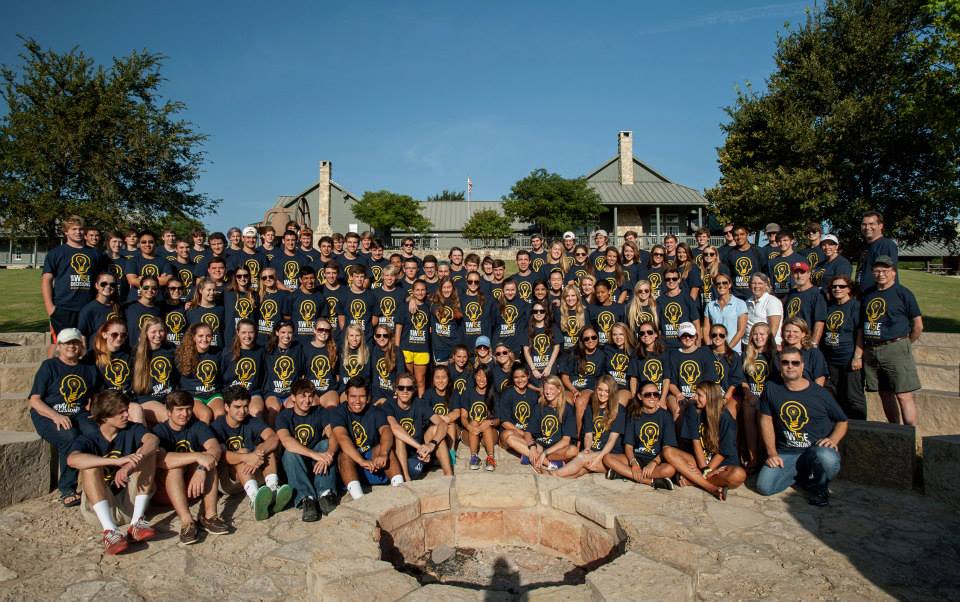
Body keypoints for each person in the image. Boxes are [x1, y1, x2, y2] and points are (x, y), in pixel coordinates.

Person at [67, 390, 158, 555]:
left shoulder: (132, 429)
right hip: (100, 509)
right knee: (90, 466)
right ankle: (110, 531)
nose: (126, 415)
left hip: (129, 503)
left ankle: (137, 524)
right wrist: (116, 461)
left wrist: (128, 466)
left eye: (126, 410)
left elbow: (153, 440)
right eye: (121, 412)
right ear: (105, 417)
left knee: (148, 455)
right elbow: (72, 460)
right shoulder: (89, 438)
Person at [757, 347, 848, 507]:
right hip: (786, 452)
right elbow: (766, 419)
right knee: (764, 487)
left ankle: (819, 488)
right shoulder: (771, 388)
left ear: (802, 366)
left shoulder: (820, 393)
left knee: (828, 457)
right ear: (780, 365)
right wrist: (771, 453)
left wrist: (833, 439)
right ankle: (801, 476)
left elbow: (842, 420)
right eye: (785, 362)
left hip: (814, 451)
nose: (790, 366)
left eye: (795, 363)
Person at [29, 328, 101, 507]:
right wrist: (55, 416)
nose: (71, 346)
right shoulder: (49, 366)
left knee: (94, 432)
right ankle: (67, 488)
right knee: (69, 435)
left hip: (78, 412)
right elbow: (35, 400)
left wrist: (95, 412)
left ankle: (97, 481)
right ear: (59, 346)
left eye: (75, 342)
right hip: (48, 413)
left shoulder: (88, 369)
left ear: (81, 346)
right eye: (67, 343)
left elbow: (95, 395)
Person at [153, 390, 228, 544]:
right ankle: (187, 521)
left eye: (188, 409)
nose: (185, 414)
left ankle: (209, 516)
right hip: (166, 492)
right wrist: (196, 456)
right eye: (179, 410)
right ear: (169, 412)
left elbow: (215, 448)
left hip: (193, 488)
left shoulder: (198, 426)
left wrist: (201, 468)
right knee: (175, 468)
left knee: (209, 462)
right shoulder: (159, 431)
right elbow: (161, 459)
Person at [211, 385, 292, 520]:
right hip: (229, 480)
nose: (242, 411)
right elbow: (222, 456)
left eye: (245, 406)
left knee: (265, 448)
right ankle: (254, 498)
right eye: (237, 407)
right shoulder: (217, 426)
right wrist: (247, 457)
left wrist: (258, 454)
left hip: (253, 474)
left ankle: (273, 490)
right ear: (226, 407)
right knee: (242, 452)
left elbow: (273, 438)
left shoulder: (251, 421)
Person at [860, 256, 923, 426]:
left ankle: (910, 433)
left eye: (885, 270)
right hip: (872, 349)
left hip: (895, 347)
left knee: (903, 394)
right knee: (884, 393)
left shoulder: (903, 293)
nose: (881, 274)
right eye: (877, 270)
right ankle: (895, 430)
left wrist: (905, 343)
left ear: (893, 272)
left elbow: (918, 324)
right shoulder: (868, 294)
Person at [664, 381, 745, 501]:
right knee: (668, 452)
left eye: (699, 395)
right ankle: (710, 487)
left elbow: (723, 453)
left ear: (711, 398)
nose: (694, 397)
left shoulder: (726, 418)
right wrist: (704, 469)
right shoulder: (693, 409)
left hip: (719, 463)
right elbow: (695, 441)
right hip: (699, 460)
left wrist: (709, 469)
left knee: (739, 475)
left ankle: (692, 481)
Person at [276, 379, 339, 522]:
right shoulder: (284, 416)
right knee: (290, 453)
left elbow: (333, 434)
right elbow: (286, 440)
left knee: (326, 444)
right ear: (293, 398)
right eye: (302, 396)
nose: (307, 400)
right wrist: (315, 455)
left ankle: (325, 494)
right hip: (297, 464)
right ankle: (306, 498)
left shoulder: (320, 411)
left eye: (310, 396)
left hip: (318, 462)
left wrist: (329, 454)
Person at [332, 377, 403, 499]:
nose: (357, 401)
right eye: (353, 396)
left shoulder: (376, 411)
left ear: (368, 397)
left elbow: (386, 431)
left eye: (362, 396)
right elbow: (342, 437)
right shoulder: (338, 412)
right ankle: (359, 498)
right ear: (346, 396)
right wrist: (361, 461)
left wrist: (383, 454)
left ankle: (400, 490)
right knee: (345, 454)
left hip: (373, 464)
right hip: (351, 466)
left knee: (385, 449)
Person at [41, 216, 101, 354]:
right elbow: (46, 280)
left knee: (86, 345)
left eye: (81, 229)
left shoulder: (95, 253)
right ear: (66, 232)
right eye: (74, 229)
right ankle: (51, 368)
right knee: (59, 345)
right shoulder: (56, 253)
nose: (78, 232)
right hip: (63, 308)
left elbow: (101, 280)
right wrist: (50, 308)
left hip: (88, 307)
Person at [606, 382, 677, 488]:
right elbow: (628, 446)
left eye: (655, 394)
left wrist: (653, 463)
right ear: (639, 396)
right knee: (607, 458)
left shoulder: (665, 416)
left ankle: (623, 474)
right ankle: (650, 482)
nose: (652, 397)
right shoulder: (633, 414)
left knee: (670, 470)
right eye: (648, 394)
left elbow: (667, 447)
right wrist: (633, 463)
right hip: (637, 457)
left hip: (656, 460)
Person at [386, 373, 453, 481]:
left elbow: (442, 424)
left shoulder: (420, 403)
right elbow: (395, 428)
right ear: (396, 389)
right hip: (399, 460)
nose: (405, 391)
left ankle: (449, 476)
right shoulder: (389, 404)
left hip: (420, 455)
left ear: (414, 390)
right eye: (401, 388)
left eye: (409, 388)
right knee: (399, 437)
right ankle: (406, 480)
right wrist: (419, 447)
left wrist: (431, 444)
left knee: (435, 429)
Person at [555, 375, 625, 479]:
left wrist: (598, 458)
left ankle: (554, 474)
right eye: (600, 389)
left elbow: (612, 440)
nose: (602, 393)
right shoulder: (590, 408)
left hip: (609, 454)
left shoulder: (619, 410)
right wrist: (588, 448)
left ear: (612, 392)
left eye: (607, 391)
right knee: (580, 471)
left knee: (581, 457)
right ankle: (558, 477)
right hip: (593, 452)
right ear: (596, 389)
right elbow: (588, 435)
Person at [822, 275, 866, 420]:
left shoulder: (855, 306)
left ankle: (859, 426)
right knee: (837, 394)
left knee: (853, 397)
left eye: (842, 286)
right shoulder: (830, 307)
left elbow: (860, 333)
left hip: (849, 358)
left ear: (849, 289)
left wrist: (857, 357)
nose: (837, 289)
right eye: (834, 286)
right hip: (832, 359)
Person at [741, 323, 776, 470]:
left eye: (762, 334)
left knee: (763, 414)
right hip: (751, 395)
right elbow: (742, 379)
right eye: (755, 334)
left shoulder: (774, 355)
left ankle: (765, 455)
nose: (758, 337)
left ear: (768, 336)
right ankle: (753, 456)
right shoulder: (746, 355)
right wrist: (748, 394)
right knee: (748, 408)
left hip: (768, 396)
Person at [666, 322, 718, 420]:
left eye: (690, 335)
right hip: (679, 393)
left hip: (702, 393)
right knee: (678, 410)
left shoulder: (705, 353)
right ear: (679, 338)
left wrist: (698, 395)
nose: (687, 338)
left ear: (696, 337)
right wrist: (678, 394)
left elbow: (710, 380)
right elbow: (671, 382)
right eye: (684, 336)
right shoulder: (673, 355)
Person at [131, 316, 177, 425]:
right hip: (147, 399)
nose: (158, 335)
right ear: (146, 333)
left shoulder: (170, 349)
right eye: (153, 332)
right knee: (169, 416)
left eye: (161, 331)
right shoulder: (136, 352)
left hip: (169, 396)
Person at [176, 323, 223, 424]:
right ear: (194, 337)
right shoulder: (183, 354)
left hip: (213, 394)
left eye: (208, 336)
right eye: (200, 336)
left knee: (220, 414)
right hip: (193, 395)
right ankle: (201, 434)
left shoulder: (219, 353)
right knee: (205, 414)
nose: (204, 339)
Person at [459, 365, 499, 471]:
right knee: (474, 422)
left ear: (489, 378)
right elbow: (463, 417)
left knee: (486, 424)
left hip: (489, 434)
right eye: (479, 375)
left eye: (485, 376)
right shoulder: (468, 393)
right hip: (471, 432)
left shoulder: (494, 394)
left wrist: (489, 423)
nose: (482, 379)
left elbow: (499, 420)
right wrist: (470, 427)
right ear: (475, 376)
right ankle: (474, 457)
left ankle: (490, 458)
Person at [702, 273, 747, 353]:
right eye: (718, 283)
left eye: (724, 283)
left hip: (733, 351)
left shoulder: (740, 303)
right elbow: (706, 329)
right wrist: (710, 347)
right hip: (715, 351)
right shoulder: (710, 305)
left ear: (730, 285)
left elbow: (741, 330)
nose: (721, 285)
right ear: (715, 286)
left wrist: (727, 349)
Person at [783, 261, 826, 345]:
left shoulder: (817, 294)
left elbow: (819, 322)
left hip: (805, 342)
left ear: (809, 274)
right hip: (789, 340)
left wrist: (814, 343)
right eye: (796, 273)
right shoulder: (791, 293)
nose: (799, 276)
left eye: (802, 272)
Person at [857, 211, 899, 291]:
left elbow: (889, 275)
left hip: (877, 295)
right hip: (863, 294)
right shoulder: (865, 247)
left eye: (871, 224)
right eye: (864, 224)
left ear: (880, 226)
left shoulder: (886, 245)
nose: (867, 227)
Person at [78, 272, 120, 349]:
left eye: (112, 284)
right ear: (96, 286)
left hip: (116, 352)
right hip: (97, 352)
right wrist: (85, 354)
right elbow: (82, 335)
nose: (108, 286)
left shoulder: (118, 307)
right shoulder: (88, 310)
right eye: (103, 284)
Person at [727, 225, 767, 301]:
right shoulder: (729, 254)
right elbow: (727, 275)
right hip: (737, 296)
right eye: (736, 235)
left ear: (747, 234)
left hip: (755, 294)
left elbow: (765, 272)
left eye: (742, 234)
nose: (739, 237)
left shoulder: (758, 251)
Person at [745, 273, 783, 347]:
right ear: (750, 285)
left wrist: (766, 346)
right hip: (749, 344)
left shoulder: (772, 301)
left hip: (766, 345)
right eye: (754, 283)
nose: (756, 286)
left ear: (766, 285)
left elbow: (774, 327)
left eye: (760, 283)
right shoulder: (747, 302)